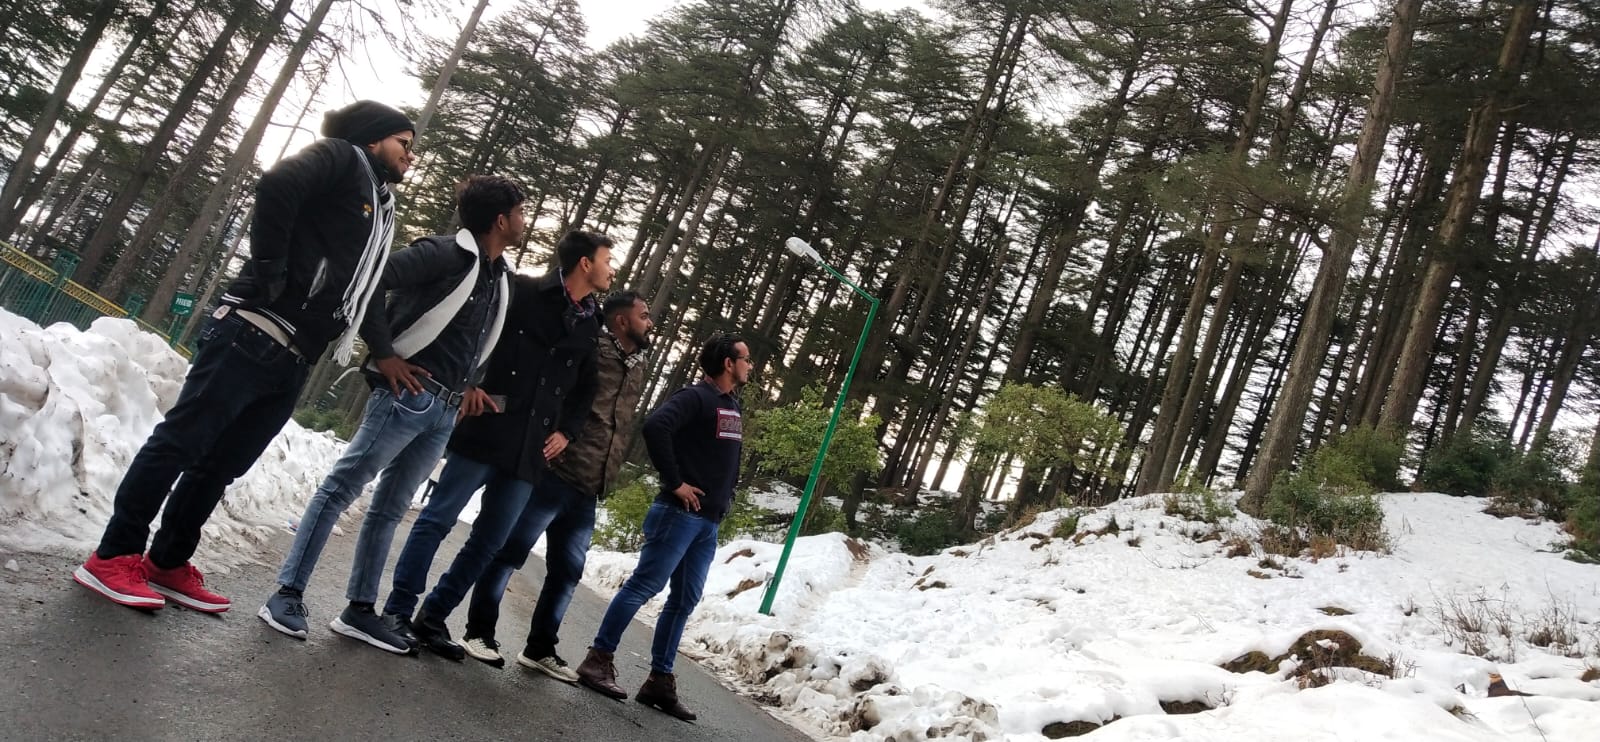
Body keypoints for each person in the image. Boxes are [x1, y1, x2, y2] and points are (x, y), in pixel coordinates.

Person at [73, 100, 415, 612]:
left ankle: (167, 561)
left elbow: (359, 285)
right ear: (372, 138)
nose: (411, 155)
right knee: (181, 443)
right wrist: (272, 267)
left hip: (296, 353)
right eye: (403, 143)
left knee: (221, 465)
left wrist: (380, 349)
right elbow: (278, 184)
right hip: (253, 329)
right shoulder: (342, 158)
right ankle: (113, 556)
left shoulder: (377, 204)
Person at [257, 175, 522, 654]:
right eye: (520, 212)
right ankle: (287, 593)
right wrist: (384, 353)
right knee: (341, 489)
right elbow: (372, 278)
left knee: (390, 509)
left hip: (444, 410)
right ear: (500, 220)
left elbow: (470, 339)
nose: (524, 221)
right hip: (406, 397)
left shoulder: (498, 276)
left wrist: (468, 385)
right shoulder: (444, 253)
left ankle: (359, 610)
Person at [380, 230, 615, 659]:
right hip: (488, 425)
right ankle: (398, 610)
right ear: (585, 263)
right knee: (437, 519)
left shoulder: (589, 321)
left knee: (490, 541)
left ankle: (433, 616)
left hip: (531, 449)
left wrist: (567, 431)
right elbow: (477, 336)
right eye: (607, 260)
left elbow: (587, 386)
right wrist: (470, 382)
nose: (611, 270)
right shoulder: (522, 290)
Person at [458, 291, 654, 677]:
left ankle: (540, 648)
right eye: (644, 316)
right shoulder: (591, 348)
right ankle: (478, 632)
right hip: (554, 471)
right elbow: (559, 394)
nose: (650, 323)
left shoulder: (638, 365)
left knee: (567, 572)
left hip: (589, 485)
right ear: (621, 321)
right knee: (509, 552)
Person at [575, 333, 751, 722]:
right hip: (678, 514)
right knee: (644, 586)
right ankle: (597, 660)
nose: (749, 366)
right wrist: (675, 482)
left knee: (685, 600)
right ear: (728, 363)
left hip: (707, 523)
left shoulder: (730, 404)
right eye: (746, 359)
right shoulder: (696, 397)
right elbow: (656, 426)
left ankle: (659, 680)